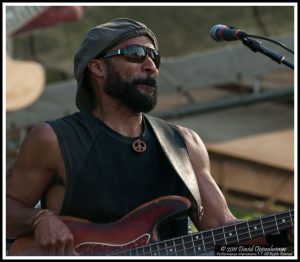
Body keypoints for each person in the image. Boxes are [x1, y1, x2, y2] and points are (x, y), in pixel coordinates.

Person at [6, 18, 293, 256]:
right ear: (97, 67)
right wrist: (39, 217)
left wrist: (282, 238)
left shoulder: (185, 144)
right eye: (135, 54)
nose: (151, 66)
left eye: (154, 57)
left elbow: (220, 226)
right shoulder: (53, 139)